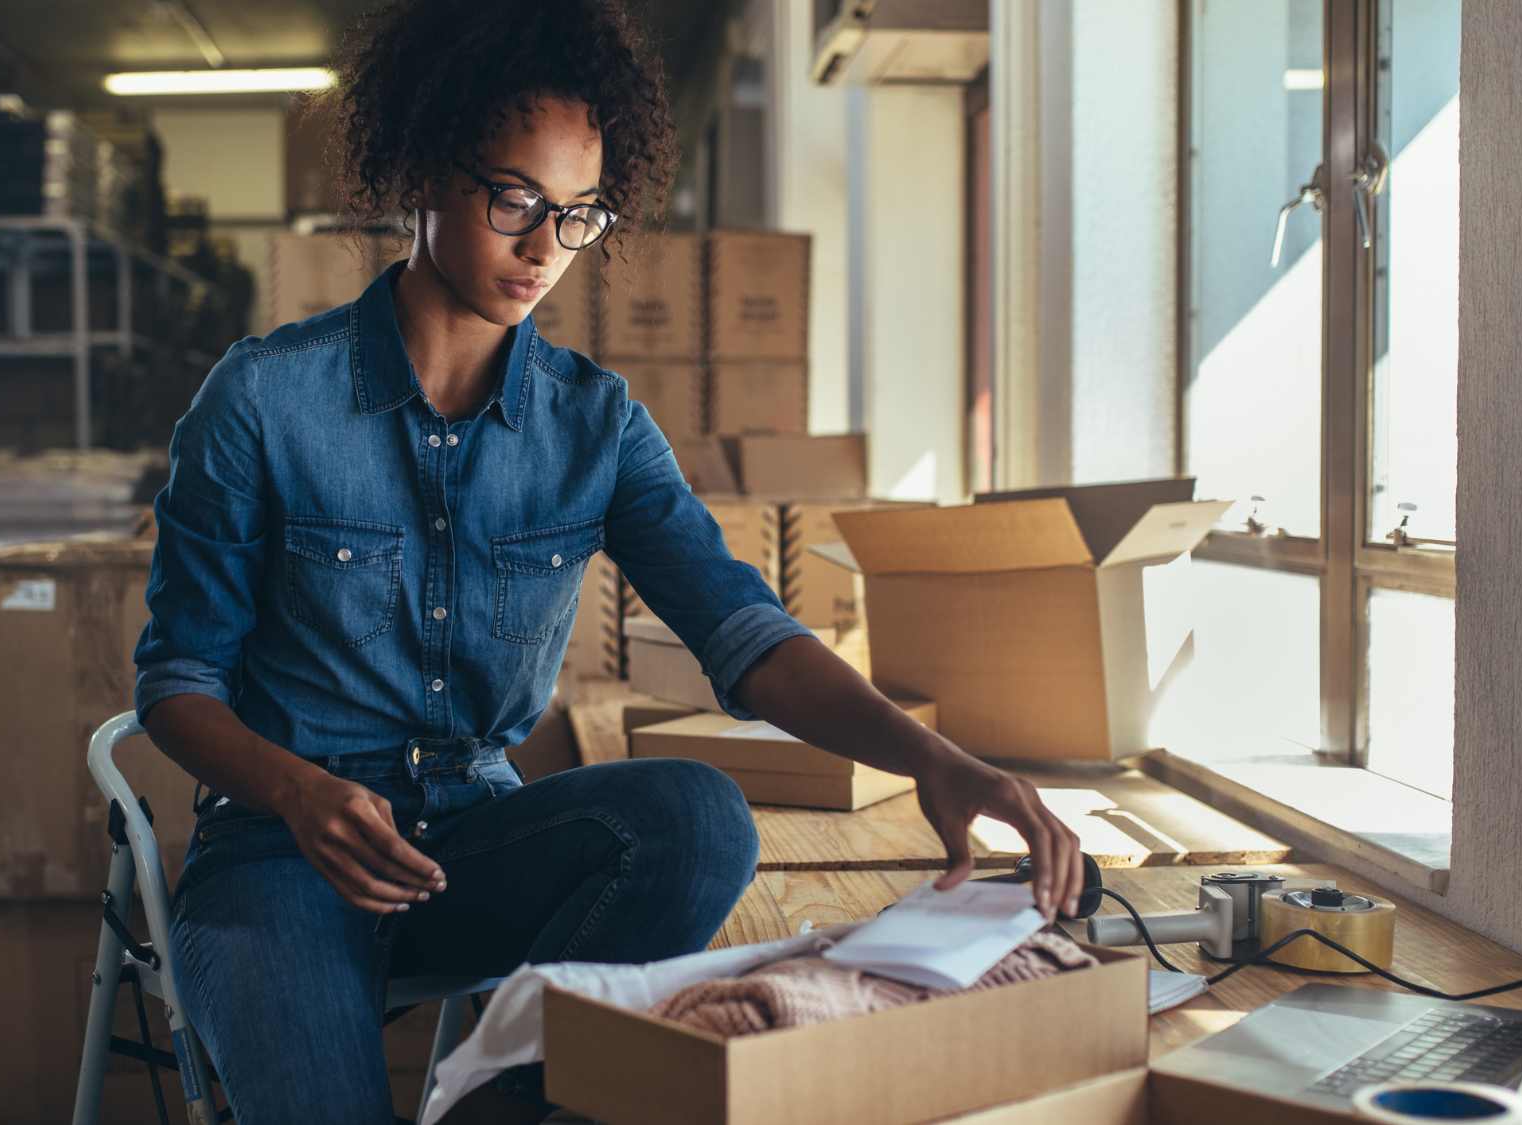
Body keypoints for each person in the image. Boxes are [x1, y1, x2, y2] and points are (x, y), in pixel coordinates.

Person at [133, 1, 1085, 1121]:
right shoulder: (262, 399)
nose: (543, 248)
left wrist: (931, 759)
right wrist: (299, 792)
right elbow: (175, 684)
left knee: (696, 817)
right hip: (281, 857)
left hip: (473, 845)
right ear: (426, 171)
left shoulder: (596, 424)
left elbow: (745, 634)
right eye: (513, 200)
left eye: (577, 215)